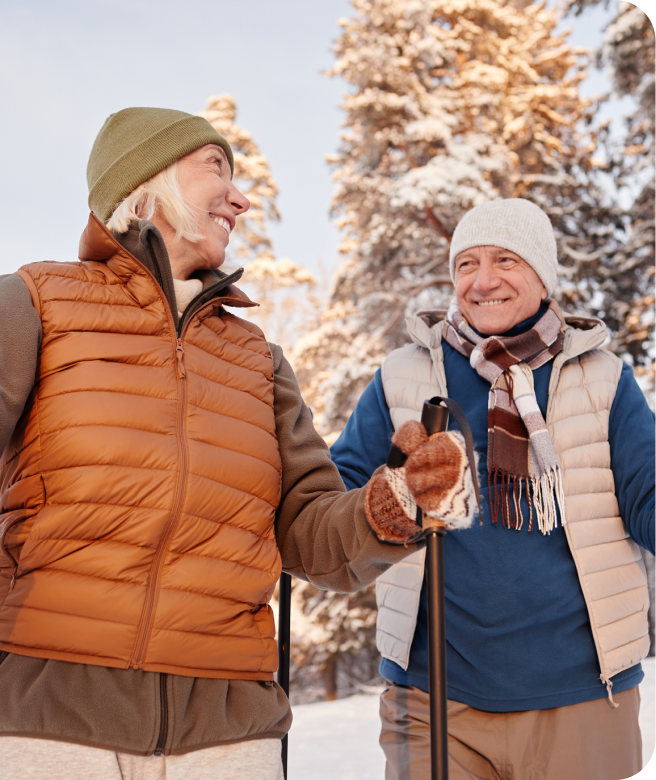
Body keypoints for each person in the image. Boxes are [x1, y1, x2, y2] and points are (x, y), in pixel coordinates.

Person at [0, 106, 439, 779]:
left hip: (227, 732)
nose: (240, 197)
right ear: (145, 176)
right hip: (50, 719)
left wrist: (392, 506)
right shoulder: (36, 304)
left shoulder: (256, 359)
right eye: (215, 168)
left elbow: (308, 531)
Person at [330, 198, 653, 780]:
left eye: (505, 260)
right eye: (465, 265)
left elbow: (648, 497)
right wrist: (395, 494)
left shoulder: (599, 378)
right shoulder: (405, 377)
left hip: (581, 697)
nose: (483, 281)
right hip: (433, 704)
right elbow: (330, 512)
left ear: (542, 274)